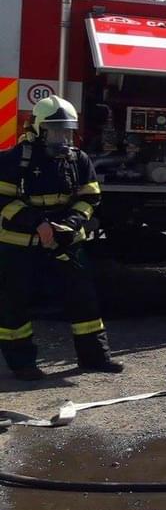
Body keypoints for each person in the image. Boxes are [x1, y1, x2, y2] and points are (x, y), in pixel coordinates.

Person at [0, 96, 122, 380]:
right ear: (38, 129)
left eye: (66, 132)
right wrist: (38, 223)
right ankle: (22, 364)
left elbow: (90, 197)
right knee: (14, 304)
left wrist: (70, 224)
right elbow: (2, 200)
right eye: (55, 131)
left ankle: (95, 358)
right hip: (19, 245)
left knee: (84, 299)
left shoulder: (78, 159)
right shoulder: (13, 159)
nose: (62, 138)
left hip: (66, 241)